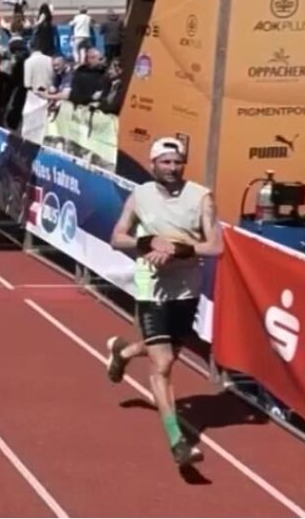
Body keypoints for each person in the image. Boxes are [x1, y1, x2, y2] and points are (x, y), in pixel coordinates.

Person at [106, 136, 223, 467]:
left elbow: (215, 247)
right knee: (164, 365)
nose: (172, 168)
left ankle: (124, 351)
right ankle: (178, 441)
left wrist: (179, 248)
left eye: (177, 162)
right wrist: (147, 241)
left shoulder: (201, 197)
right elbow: (117, 238)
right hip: (151, 286)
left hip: (186, 288)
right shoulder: (140, 195)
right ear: (153, 163)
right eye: (166, 162)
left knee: (166, 352)